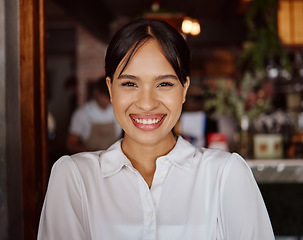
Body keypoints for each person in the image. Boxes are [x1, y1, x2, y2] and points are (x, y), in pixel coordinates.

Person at [38, 19, 275, 239]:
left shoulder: (225, 174)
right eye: (130, 83)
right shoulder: (74, 178)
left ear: (184, 89)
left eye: (164, 84)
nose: (147, 103)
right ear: (110, 89)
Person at [66, 77, 122, 153]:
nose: (108, 100)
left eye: (110, 96)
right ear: (96, 93)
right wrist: (93, 154)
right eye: (105, 96)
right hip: (92, 160)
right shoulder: (82, 113)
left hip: (115, 157)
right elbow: (71, 144)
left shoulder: (118, 111)